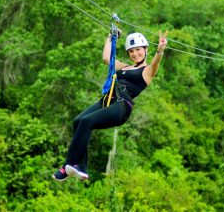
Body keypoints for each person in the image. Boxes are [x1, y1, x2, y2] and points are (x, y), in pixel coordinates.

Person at [52, 30, 168, 181]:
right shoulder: (124, 67)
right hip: (106, 101)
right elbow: (107, 58)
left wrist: (160, 50)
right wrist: (111, 36)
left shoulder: (146, 72)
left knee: (87, 122)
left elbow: (155, 63)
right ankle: (81, 166)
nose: (135, 54)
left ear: (145, 49)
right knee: (78, 121)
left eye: (138, 49)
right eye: (131, 51)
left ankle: (69, 165)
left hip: (121, 106)